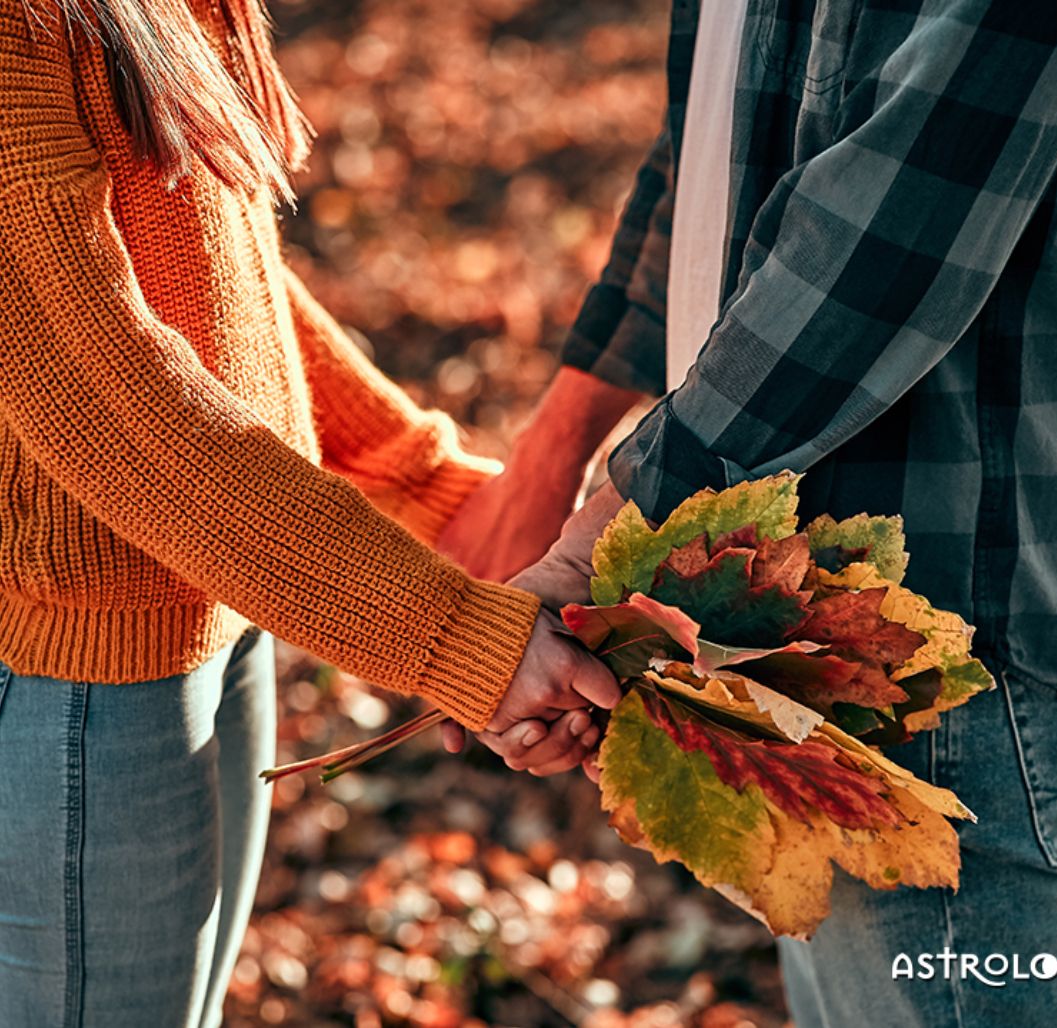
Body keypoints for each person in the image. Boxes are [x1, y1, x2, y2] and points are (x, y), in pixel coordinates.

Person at [442, 1, 1057, 1024]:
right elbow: (719, 146)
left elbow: (906, 206)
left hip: (946, 656)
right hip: (760, 620)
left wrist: (594, 539)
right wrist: (555, 458)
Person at [0, 3, 619, 1026]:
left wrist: (426, 485)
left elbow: (209, 275)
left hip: (217, 602)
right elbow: (111, 398)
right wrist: (461, 639)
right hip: (82, 678)